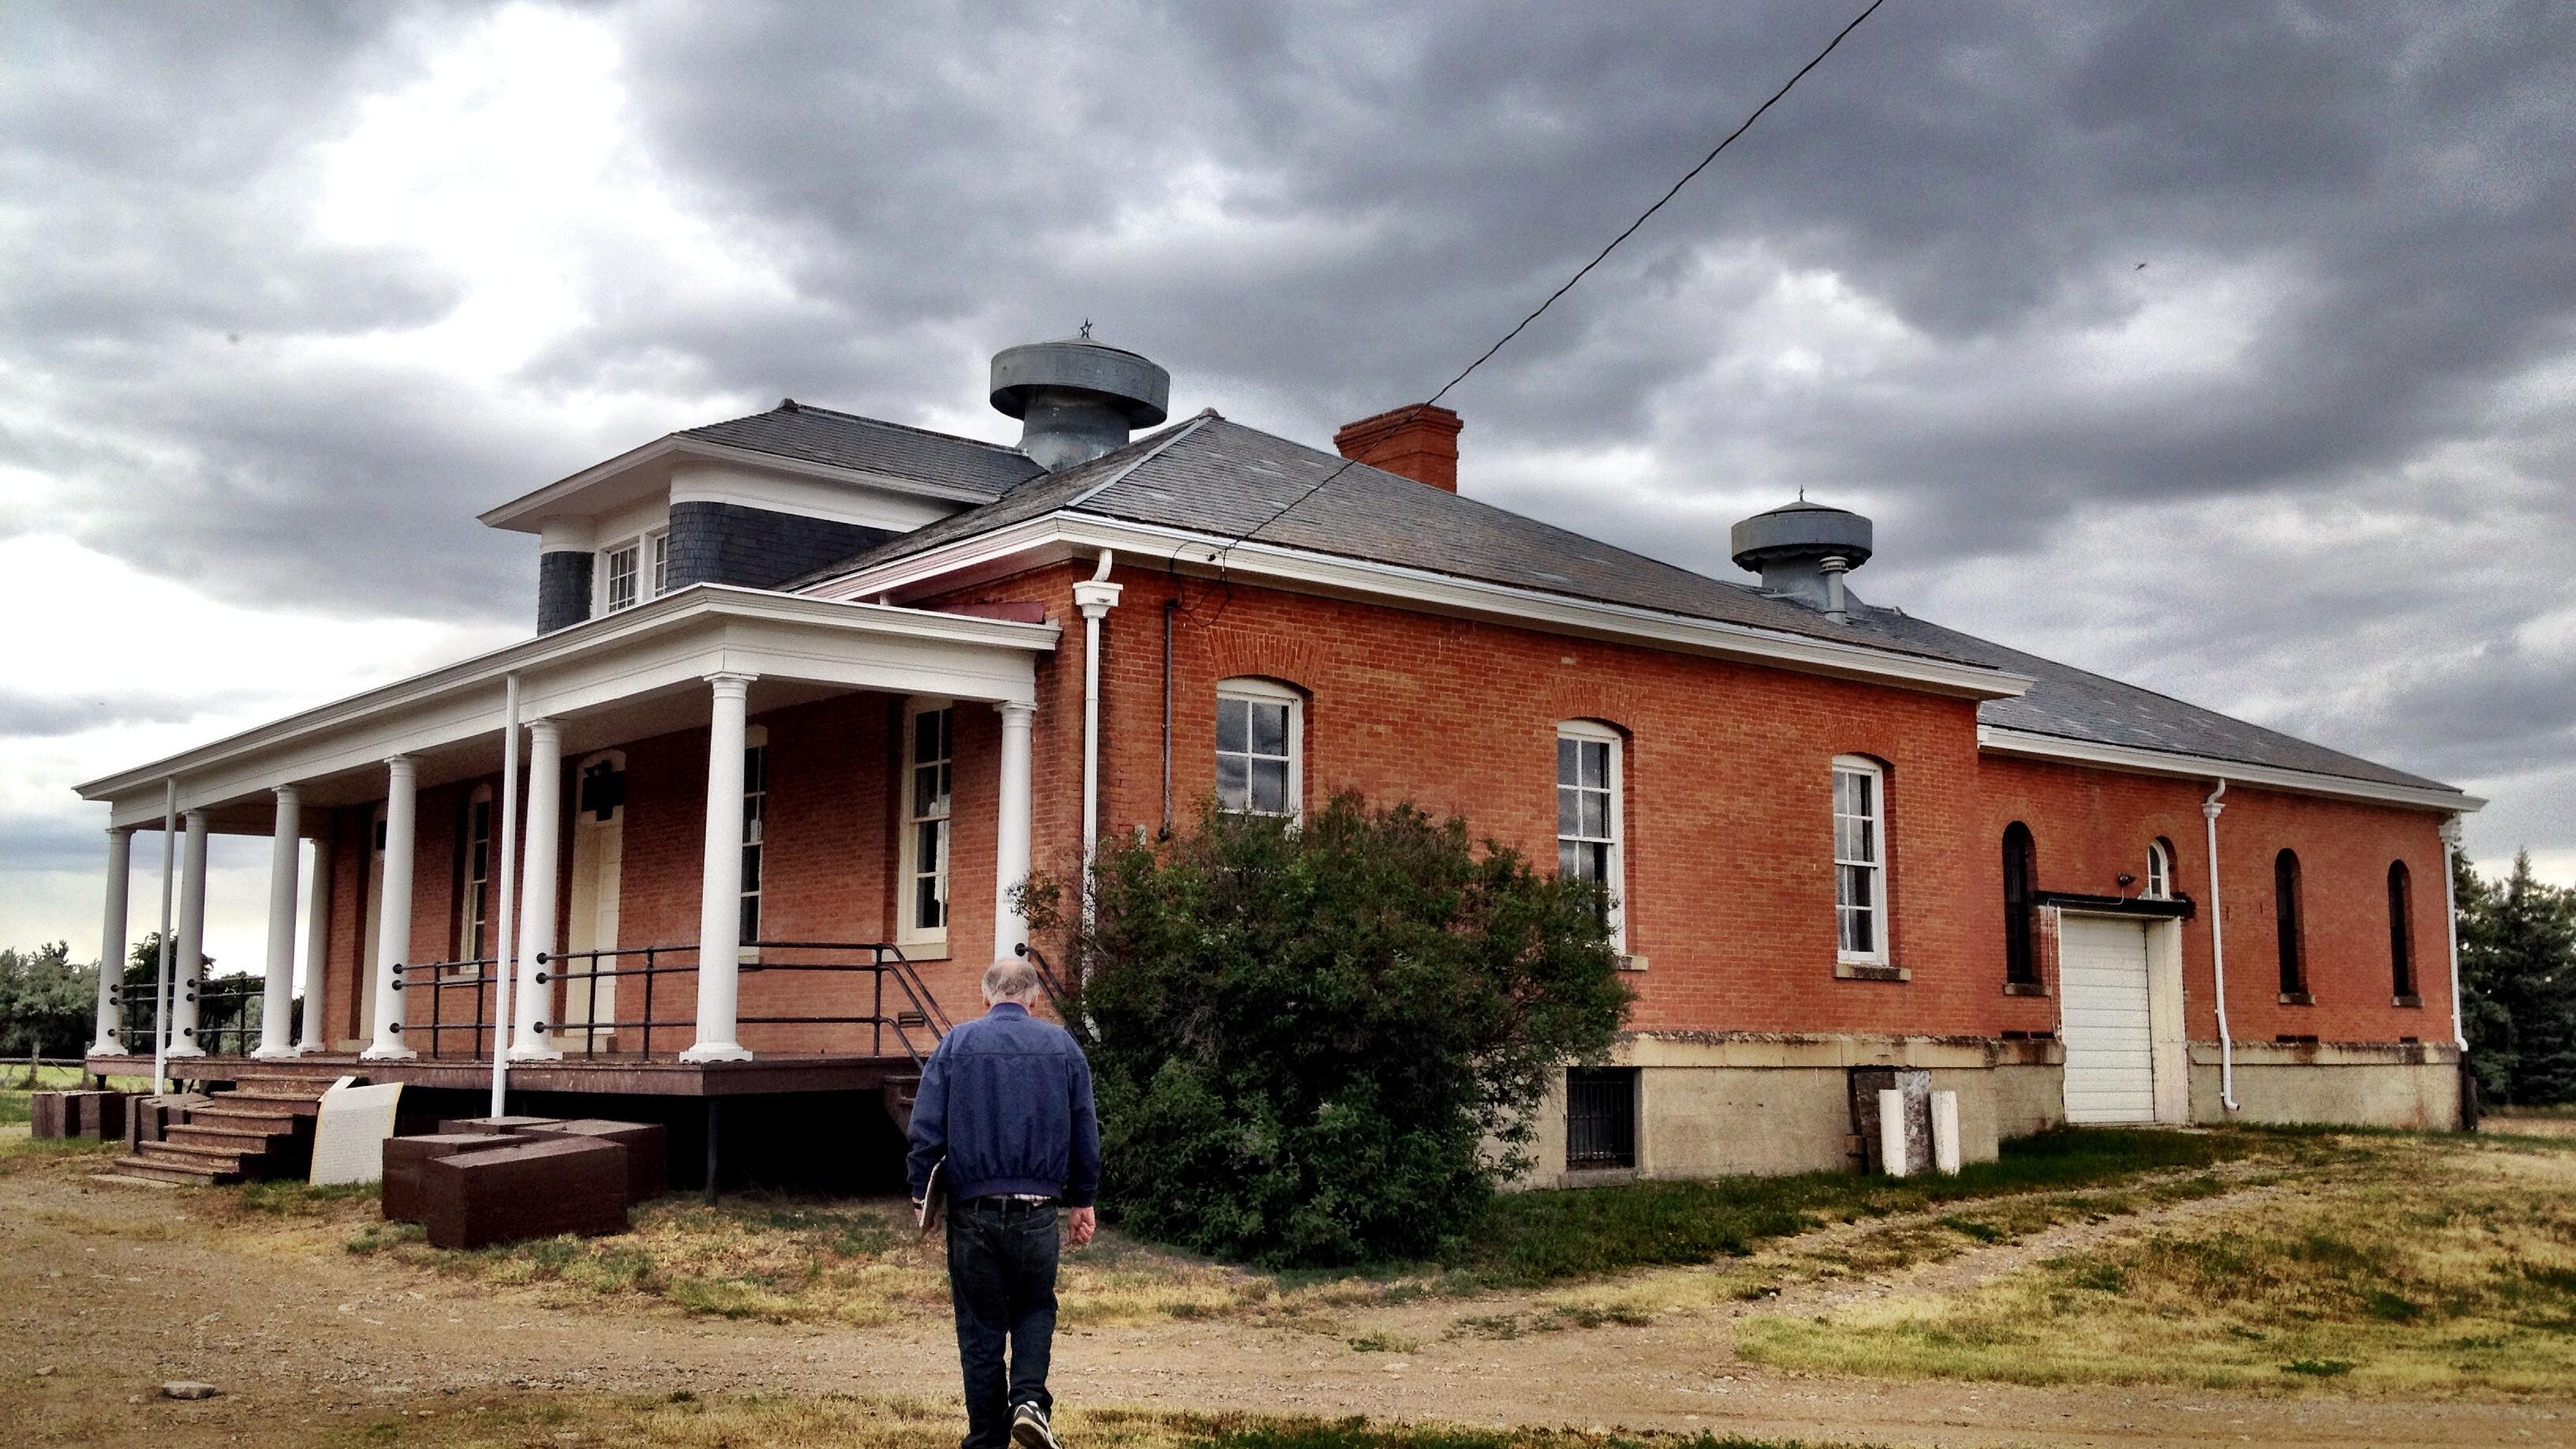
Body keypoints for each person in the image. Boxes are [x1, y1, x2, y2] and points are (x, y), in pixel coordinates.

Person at [908, 957, 1100, 1449]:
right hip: (1037, 1213)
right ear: (1035, 998)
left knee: (980, 1330)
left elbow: (926, 1128)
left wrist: (920, 1193)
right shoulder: (1062, 1046)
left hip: (973, 1214)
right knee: (1036, 1306)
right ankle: (1030, 1401)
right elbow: (1084, 1128)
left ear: (984, 996)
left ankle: (986, 1439)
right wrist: (1083, 1200)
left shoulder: (956, 1044)